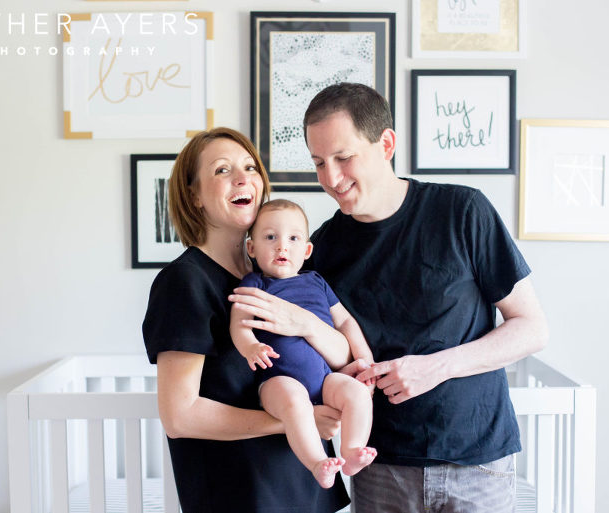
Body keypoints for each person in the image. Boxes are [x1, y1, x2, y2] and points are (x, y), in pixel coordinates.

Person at [230, 83, 548, 513]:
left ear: (386, 144)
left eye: (343, 158)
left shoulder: (462, 211)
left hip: (476, 461)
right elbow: (328, 354)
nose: (330, 179)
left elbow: (531, 328)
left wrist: (435, 367)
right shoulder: (319, 248)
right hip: (378, 465)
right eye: (319, 163)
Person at [141, 127, 350, 513]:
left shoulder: (280, 273)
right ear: (194, 195)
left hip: (304, 486)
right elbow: (180, 416)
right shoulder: (184, 283)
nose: (243, 178)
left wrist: (307, 326)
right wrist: (294, 420)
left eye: (250, 167)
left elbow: (339, 353)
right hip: (240, 493)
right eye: (222, 170)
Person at [230, 199, 377, 489]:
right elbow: (239, 322)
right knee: (294, 400)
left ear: (307, 250)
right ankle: (317, 462)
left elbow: (346, 322)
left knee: (358, 394)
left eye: (293, 238)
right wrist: (250, 346)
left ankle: (351, 451)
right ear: (251, 248)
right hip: (277, 380)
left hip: (325, 381)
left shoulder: (317, 282)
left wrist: (365, 360)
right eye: (270, 237)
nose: (282, 247)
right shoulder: (255, 283)